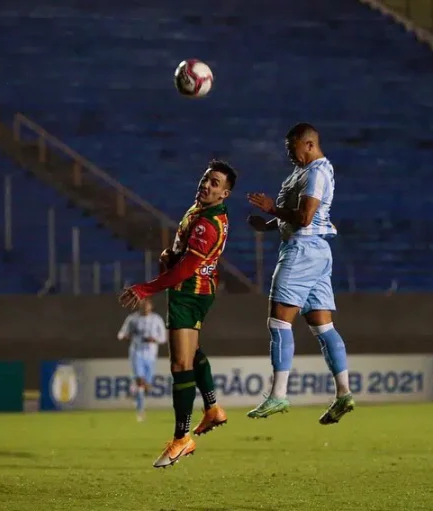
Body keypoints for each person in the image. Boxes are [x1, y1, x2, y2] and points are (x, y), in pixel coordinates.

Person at [119, 160, 236, 468]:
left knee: (180, 364)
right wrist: (171, 255)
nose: (207, 185)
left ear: (224, 194)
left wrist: (146, 288)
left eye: (215, 184)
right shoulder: (203, 211)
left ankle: (181, 439)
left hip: (188, 293)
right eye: (206, 179)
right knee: (192, 354)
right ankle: (212, 409)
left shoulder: (207, 223)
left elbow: (186, 269)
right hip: (199, 289)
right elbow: (186, 257)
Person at [246, 122, 354, 425]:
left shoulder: (317, 171)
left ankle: (279, 394)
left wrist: (271, 210)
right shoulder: (304, 172)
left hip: (302, 250)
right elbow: (301, 216)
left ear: (308, 144)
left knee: (279, 319)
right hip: (317, 251)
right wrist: (269, 225)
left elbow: (305, 218)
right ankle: (343, 392)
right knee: (323, 326)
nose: (289, 154)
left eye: (292, 147)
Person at [117, 298, 167, 422]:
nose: (144, 307)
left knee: (147, 386)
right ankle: (140, 411)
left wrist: (154, 339)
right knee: (140, 380)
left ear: (151, 306)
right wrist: (124, 336)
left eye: (147, 305)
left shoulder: (156, 319)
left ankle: (134, 391)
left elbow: (163, 338)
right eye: (142, 305)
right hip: (136, 352)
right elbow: (121, 333)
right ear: (139, 306)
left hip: (151, 355)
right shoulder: (132, 319)